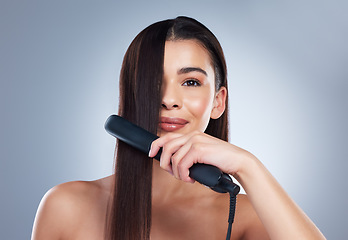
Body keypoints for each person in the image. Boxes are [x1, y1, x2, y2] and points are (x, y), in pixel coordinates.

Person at [31, 16, 326, 240]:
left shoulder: (248, 216)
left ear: (218, 102)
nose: (169, 100)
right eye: (153, 82)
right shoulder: (66, 206)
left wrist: (248, 166)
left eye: (191, 82)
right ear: (129, 95)